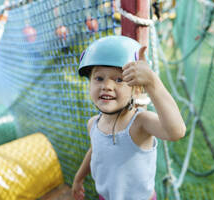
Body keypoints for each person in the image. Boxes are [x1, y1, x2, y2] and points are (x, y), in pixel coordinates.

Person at [72, 35, 186, 200]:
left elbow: (177, 132)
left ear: (137, 89)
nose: (107, 86)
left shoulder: (140, 123)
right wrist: (79, 177)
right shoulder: (93, 124)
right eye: (98, 78)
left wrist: (152, 82)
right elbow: (96, 151)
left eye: (119, 79)